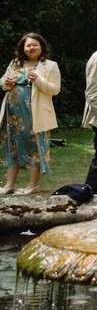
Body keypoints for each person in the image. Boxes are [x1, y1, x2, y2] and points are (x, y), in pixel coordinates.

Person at [3, 33, 62, 194]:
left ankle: (32, 185)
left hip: (36, 115)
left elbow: (55, 89)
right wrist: (6, 83)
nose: (31, 48)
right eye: (28, 45)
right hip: (14, 115)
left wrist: (38, 79)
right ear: (23, 48)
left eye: (35, 44)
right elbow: (3, 81)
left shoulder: (50, 65)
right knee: (12, 146)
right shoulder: (16, 64)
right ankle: (9, 185)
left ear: (42, 46)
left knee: (35, 146)